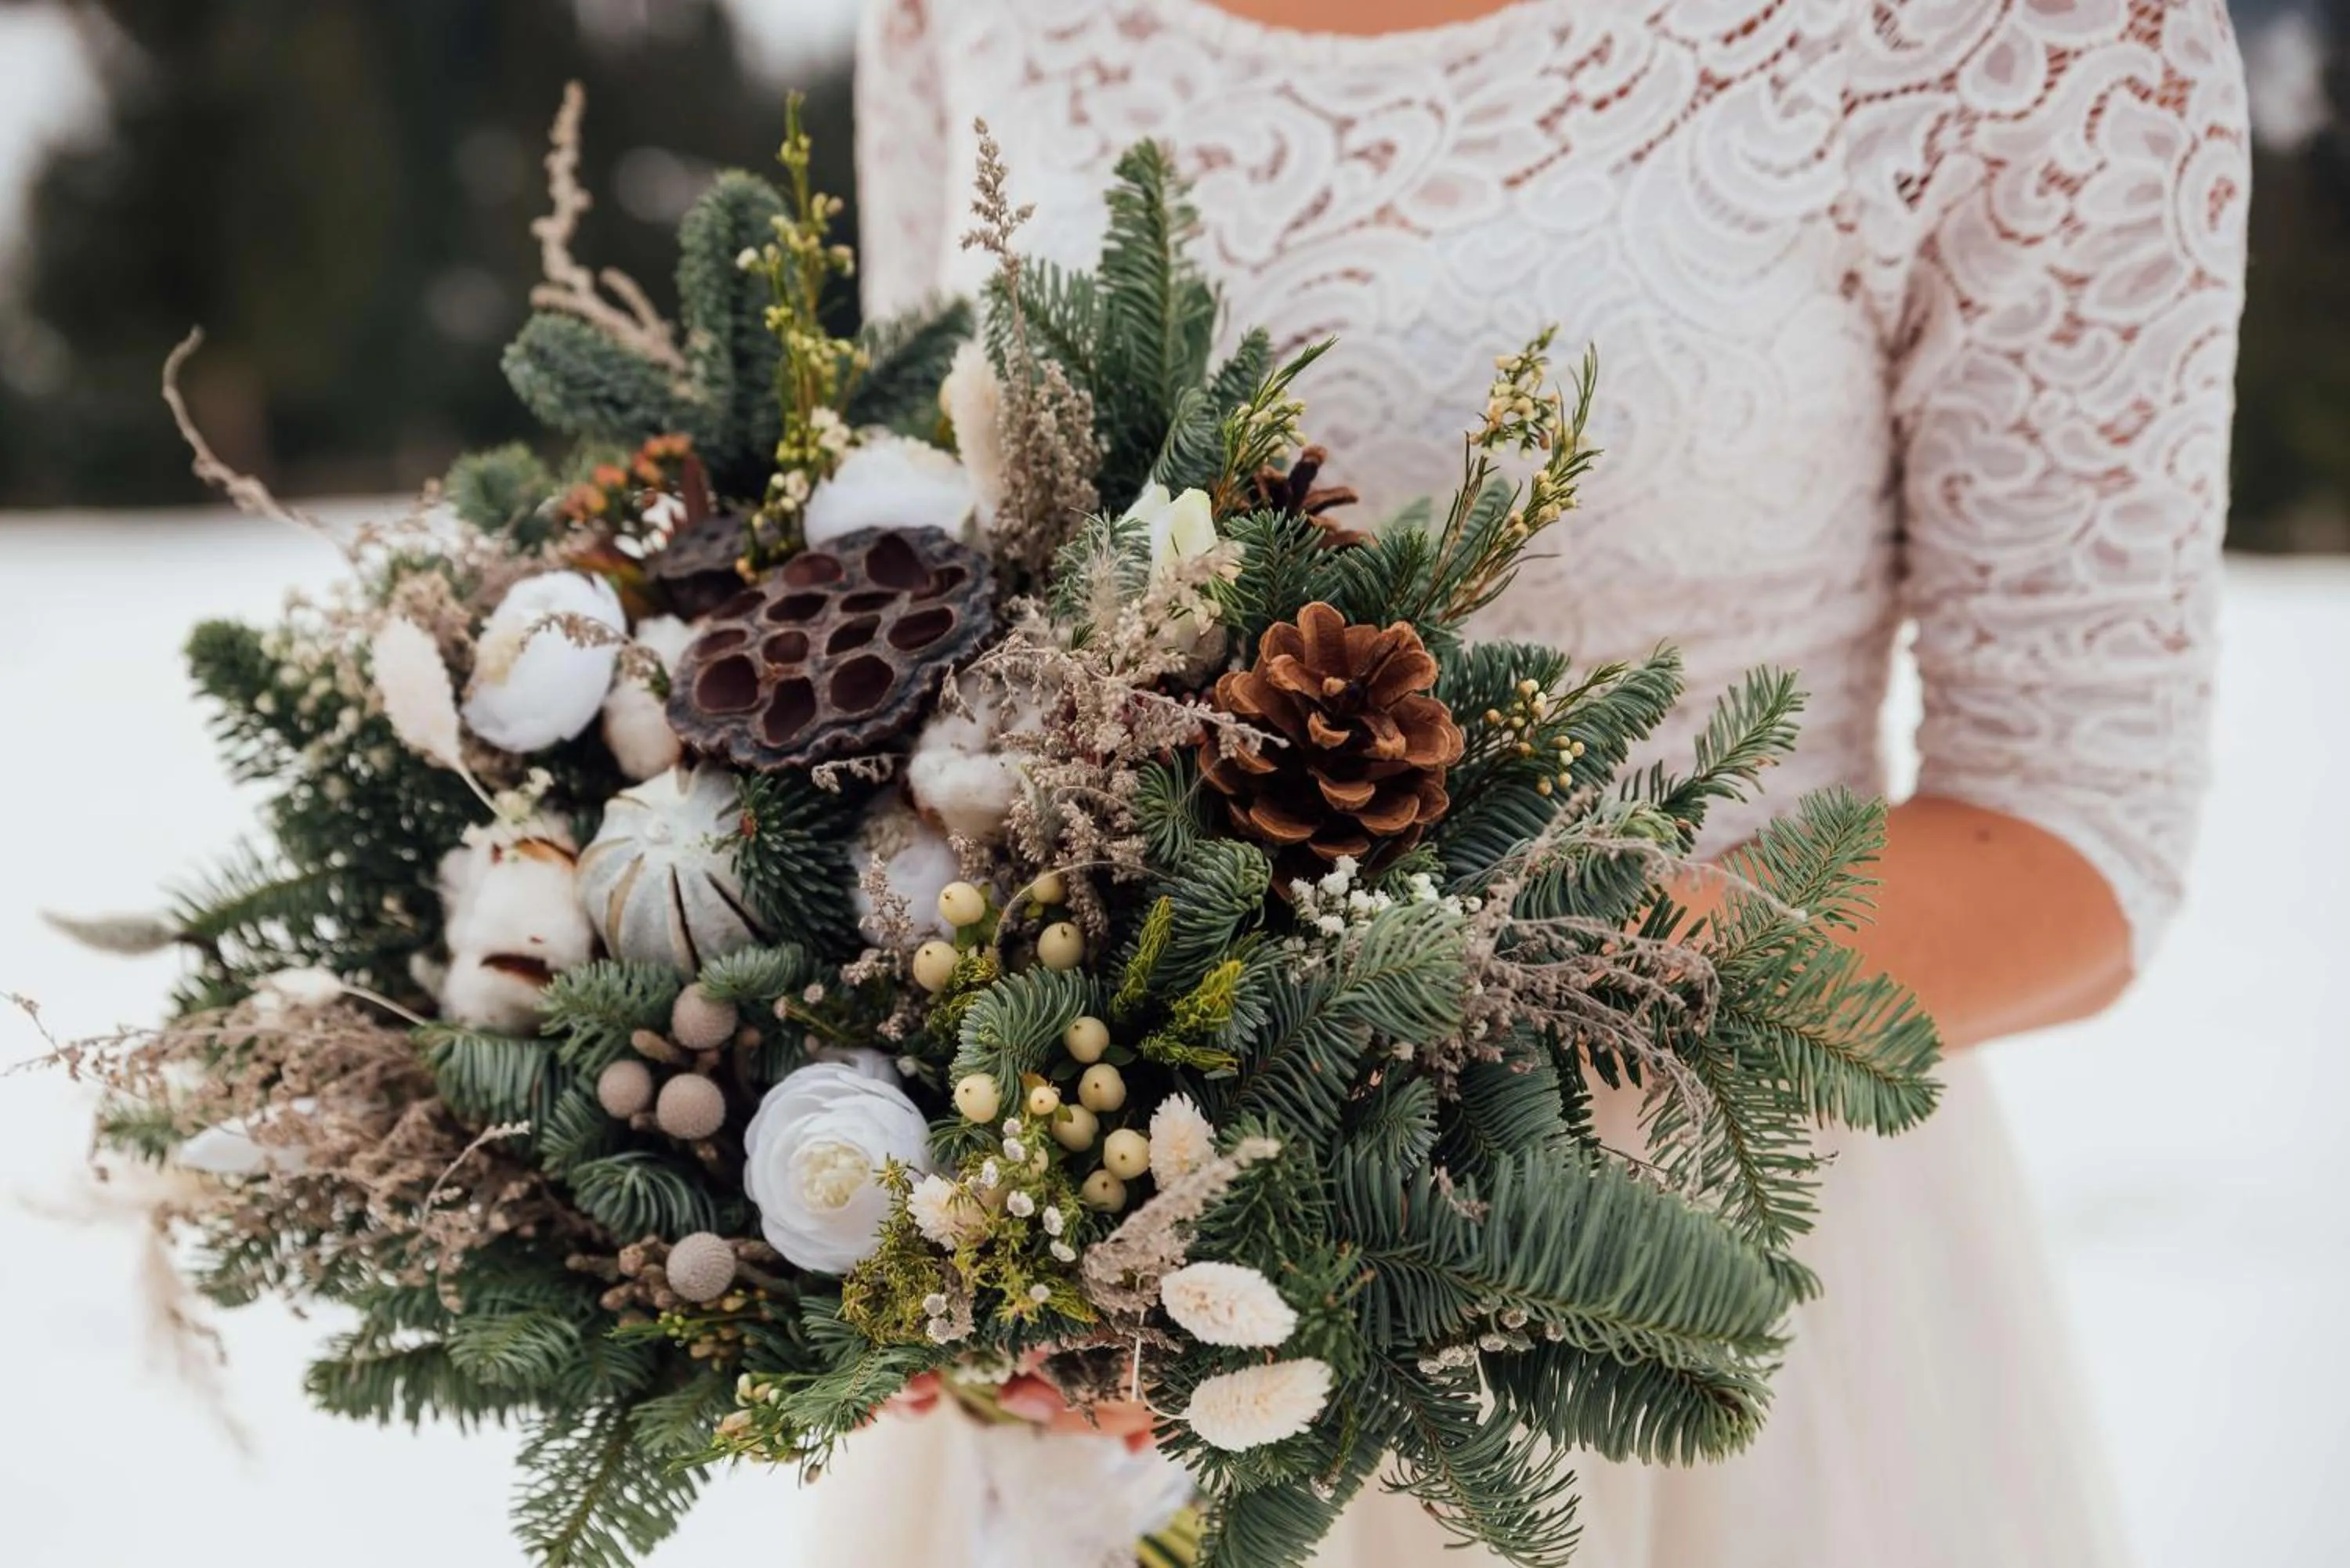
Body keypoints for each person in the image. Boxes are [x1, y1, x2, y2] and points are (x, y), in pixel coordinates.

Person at [833, 0, 2249, 1563]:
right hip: (1091, 1296)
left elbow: (2072, 838)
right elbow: (922, 595)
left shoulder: (2025, 35)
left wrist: (1413, 1017)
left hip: (1658, 1294)